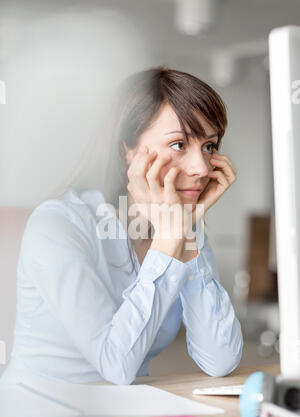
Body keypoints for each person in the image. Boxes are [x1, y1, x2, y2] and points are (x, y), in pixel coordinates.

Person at [0, 67, 243, 386]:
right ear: (127, 150)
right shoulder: (58, 225)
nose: (200, 168)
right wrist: (172, 237)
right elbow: (115, 363)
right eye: (179, 145)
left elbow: (220, 358)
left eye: (209, 146)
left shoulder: (182, 229)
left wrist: (183, 232)